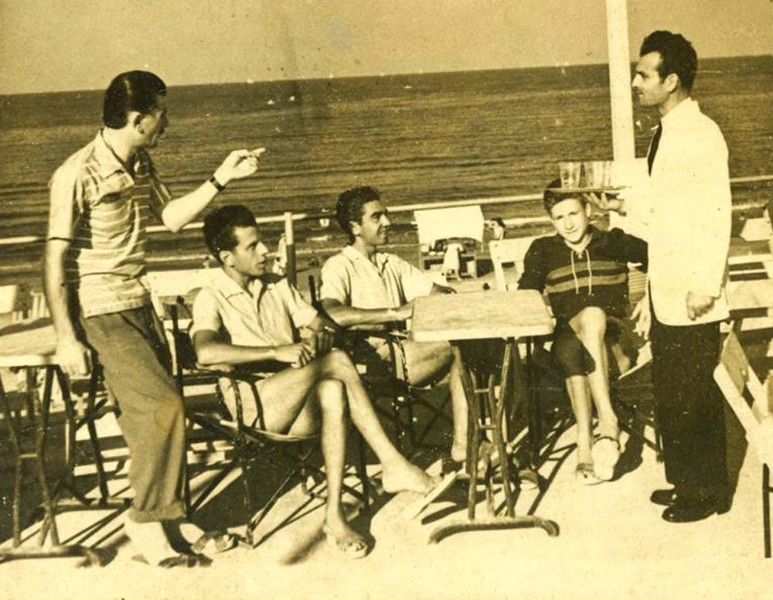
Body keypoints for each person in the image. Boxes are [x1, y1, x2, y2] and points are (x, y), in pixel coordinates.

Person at [43, 71, 264, 566]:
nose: (167, 122)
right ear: (139, 119)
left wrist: (221, 177)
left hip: (140, 302)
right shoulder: (77, 172)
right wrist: (65, 337)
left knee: (166, 413)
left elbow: (171, 219)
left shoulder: (141, 161)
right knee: (161, 410)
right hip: (101, 309)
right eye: (162, 113)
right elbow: (53, 260)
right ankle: (144, 523)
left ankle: (174, 515)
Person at [190, 205, 440, 559]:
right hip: (256, 406)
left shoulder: (276, 285)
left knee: (332, 387)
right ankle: (393, 464)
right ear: (227, 257)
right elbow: (205, 352)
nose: (265, 252)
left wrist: (315, 339)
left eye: (262, 242)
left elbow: (319, 324)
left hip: (299, 399)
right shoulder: (210, 296)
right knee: (337, 363)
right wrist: (278, 351)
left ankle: (334, 516)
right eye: (253, 247)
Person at [589, 31, 732, 522]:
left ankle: (704, 491)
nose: (635, 82)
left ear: (671, 81)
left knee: (693, 394)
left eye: (643, 75)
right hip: (667, 286)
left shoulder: (701, 134)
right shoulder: (666, 131)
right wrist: (621, 206)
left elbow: (716, 214)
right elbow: (667, 205)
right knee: (674, 389)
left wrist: (705, 285)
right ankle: (687, 480)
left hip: (693, 289)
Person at [319, 186, 470, 473]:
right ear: (355, 227)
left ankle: (470, 440)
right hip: (380, 363)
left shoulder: (392, 263)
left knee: (473, 348)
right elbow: (333, 312)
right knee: (464, 347)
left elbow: (440, 292)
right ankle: (468, 442)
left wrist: (432, 302)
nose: (387, 222)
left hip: (410, 352)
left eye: (385, 215)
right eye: (376, 217)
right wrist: (394, 313)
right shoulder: (339, 266)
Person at [519, 182, 648, 483]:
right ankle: (602, 429)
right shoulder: (543, 250)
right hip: (568, 339)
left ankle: (588, 439)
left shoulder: (613, 241)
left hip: (616, 342)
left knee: (591, 318)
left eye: (574, 213)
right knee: (572, 340)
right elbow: (525, 296)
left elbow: (664, 257)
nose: (568, 223)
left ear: (588, 211)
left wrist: (650, 296)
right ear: (551, 221)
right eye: (559, 217)